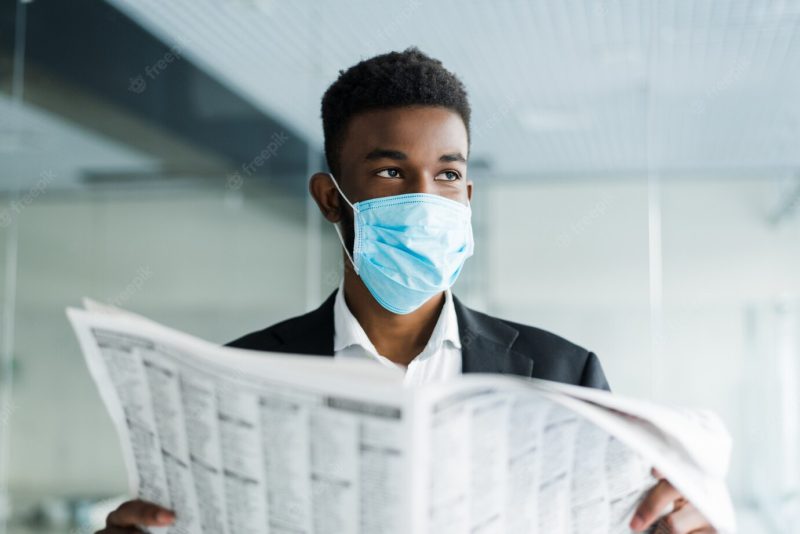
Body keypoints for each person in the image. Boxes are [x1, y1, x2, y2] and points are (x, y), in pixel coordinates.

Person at [99, 48, 714, 533]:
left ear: (466, 197)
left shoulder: (562, 374)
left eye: (447, 174)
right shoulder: (237, 374)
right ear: (329, 198)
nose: (425, 199)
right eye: (391, 172)